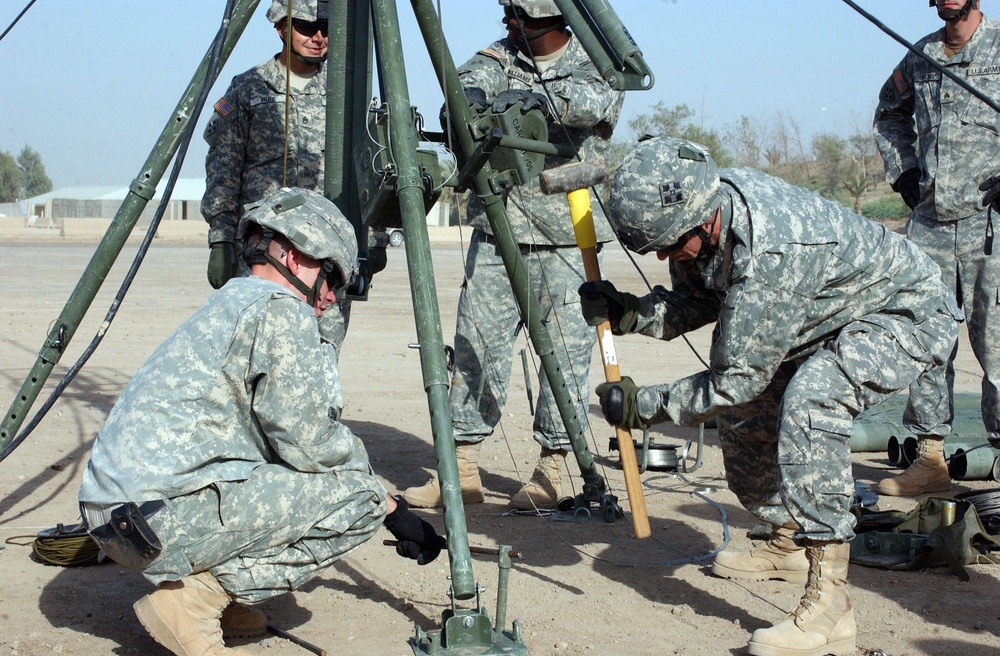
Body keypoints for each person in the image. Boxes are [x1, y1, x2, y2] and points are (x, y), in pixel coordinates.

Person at [580, 137, 960, 656]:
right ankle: (786, 537)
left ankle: (830, 610)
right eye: (656, 251)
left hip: (904, 314)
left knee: (813, 398)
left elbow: (736, 378)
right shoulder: (700, 216)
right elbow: (699, 299)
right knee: (743, 421)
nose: (666, 257)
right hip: (820, 314)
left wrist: (643, 406)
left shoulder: (771, 249)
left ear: (703, 217)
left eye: (670, 246)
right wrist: (633, 313)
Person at [79, 188, 445, 656]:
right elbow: (312, 443)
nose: (332, 295)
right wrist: (393, 510)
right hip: (155, 520)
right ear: (291, 256)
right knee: (358, 498)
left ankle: (221, 595)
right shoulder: (279, 311)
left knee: (283, 470)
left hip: (116, 515)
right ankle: (195, 602)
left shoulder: (235, 300)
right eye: (330, 273)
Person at [402, 0, 624, 511]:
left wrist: (524, 102)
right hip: (498, 229)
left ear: (551, 16)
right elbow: (462, 93)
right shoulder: (499, 56)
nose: (507, 20)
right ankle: (461, 467)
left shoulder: (595, 61)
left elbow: (591, 105)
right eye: (506, 11)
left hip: (570, 234)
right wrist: (471, 101)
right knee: (477, 344)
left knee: (564, 359)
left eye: (518, 12)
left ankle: (551, 469)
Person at [201, 0, 386, 356]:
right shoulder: (248, 89)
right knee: (254, 350)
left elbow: (369, 168)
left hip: (325, 256)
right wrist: (220, 239)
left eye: (327, 28)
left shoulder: (347, 92)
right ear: (282, 27)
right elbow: (223, 170)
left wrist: (374, 238)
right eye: (306, 26)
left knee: (320, 353)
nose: (318, 36)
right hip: (264, 250)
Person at [872, 0, 1000, 496]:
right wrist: (903, 171)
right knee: (927, 343)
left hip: (990, 221)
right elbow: (888, 115)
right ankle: (929, 459)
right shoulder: (920, 56)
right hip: (929, 224)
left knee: (997, 345)